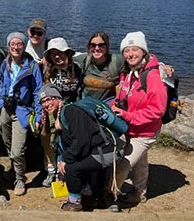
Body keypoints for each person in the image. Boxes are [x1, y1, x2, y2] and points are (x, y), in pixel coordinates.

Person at [39, 84, 118, 212]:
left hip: (104, 151)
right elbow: (69, 144)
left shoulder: (70, 111)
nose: (47, 104)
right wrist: (62, 159)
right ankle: (89, 196)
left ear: (58, 98)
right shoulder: (61, 115)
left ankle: (74, 202)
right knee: (72, 165)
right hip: (96, 150)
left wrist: (65, 160)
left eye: (50, 99)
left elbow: (82, 140)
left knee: (70, 168)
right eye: (43, 102)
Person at [111, 31, 167, 208]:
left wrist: (127, 116)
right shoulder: (130, 71)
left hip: (145, 131)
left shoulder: (152, 75)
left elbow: (157, 110)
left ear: (143, 51)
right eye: (126, 51)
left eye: (134, 49)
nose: (130, 54)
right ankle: (139, 193)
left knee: (123, 165)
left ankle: (109, 195)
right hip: (132, 128)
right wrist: (115, 105)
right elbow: (124, 96)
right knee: (140, 162)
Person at [0, 32, 43, 196]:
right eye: (12, 44)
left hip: (22, 110)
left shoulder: (32, 66)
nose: (15, 47)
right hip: (6, 107)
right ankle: (14, 169)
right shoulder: (5, 64)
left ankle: (20, 179)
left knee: (17, 149)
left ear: (24, 45)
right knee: (6, 141)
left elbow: (37, 92)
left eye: (19, 44)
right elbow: (1, 84)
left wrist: (39, 115)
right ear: (8, 46)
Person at [40, 38, 82, 187]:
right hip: (52, 110)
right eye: (53, 54)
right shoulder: (47, 70)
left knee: (69, 142)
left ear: (67, 53)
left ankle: (68, 170)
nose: (57, 57)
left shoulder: (76, 68)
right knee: (51, 141)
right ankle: (52, 169)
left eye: (60, 53)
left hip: (72, 111)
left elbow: (80, 91)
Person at [74, 31, 124, 103]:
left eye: (101, 45)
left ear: (107, 47)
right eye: (93, 45)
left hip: (106, 105)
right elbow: (65, 60)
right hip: (85, 103)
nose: (97, 48)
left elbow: (133, 62)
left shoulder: (117, 61)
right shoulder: (84, 60)